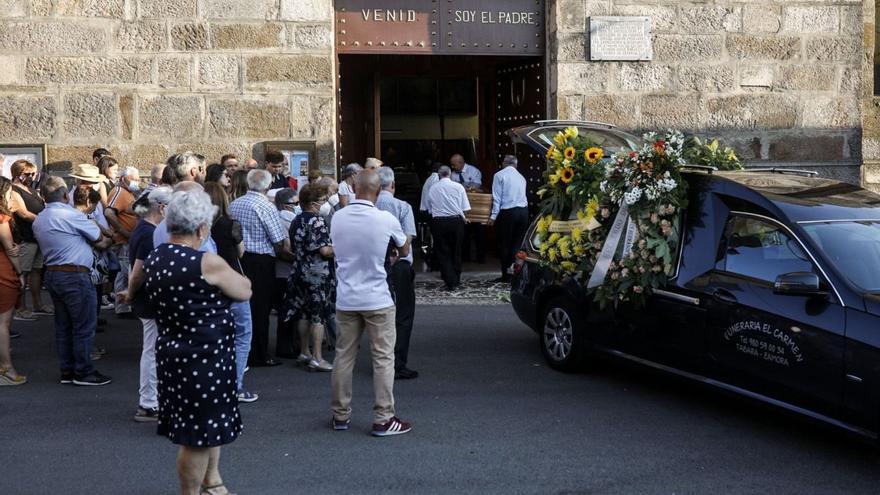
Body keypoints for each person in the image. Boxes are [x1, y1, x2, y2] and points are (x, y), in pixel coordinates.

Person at [143, 189, 251, 495]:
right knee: (197, 436)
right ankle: (192, 492)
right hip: (205, 357)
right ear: (202, 227)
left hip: (173, 351)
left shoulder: (156, 256)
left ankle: (212, 482)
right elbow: (244, 290)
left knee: (203, 428)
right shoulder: (206, 261)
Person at [330, 170, 412, 436]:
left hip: (346, 296)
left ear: (355, 188)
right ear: (378, 192)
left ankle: (340, 414)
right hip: (376, 296)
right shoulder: (385, 218)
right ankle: (383, 417)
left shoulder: (338, 217)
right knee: (383, 358)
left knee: (343, 356)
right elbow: (404, 249)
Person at [33, 176, 112, 386]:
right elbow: (100, 240)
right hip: (74, 274)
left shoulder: (40, 218)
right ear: (65, 195)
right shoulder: (70, 215)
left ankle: (67, 370)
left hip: (53, 273)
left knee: (64, 325)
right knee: (84, 325)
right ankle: (83, 371)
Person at [229, 169, 290, 367]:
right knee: (261, 308)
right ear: (268, 185)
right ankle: (260, 354)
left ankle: (246, 350)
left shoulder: (235, 203)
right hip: (262, 260)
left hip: (242, 258)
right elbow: (278, 239)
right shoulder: (266, 206)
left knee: (246, 307)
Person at [205, 182, 258, 404]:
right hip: (233, 280)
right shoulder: (230, 224)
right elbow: (241, 251)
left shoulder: (201, 226)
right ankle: (235, 385)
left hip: (209, 284)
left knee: (215, 336)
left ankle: (213, 381)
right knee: (242, 334)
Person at [121, 185, 172, 421]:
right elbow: (138, 272)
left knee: (153, 350)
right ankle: (149, 402)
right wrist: (130, 293)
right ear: (162, 208)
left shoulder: (145, 229)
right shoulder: (148, 233)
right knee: (152, 351)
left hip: (148, 298)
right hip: (149, 299)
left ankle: (152, 400)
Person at [283, 184, 334, 372]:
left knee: (303, 313)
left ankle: (304, 351)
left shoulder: (297, 219)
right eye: (322, 201)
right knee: (318, 316)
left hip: (299, 271)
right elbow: (325, 250)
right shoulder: (317, 221)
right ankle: (318, 357)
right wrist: (340, 247)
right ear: (313, 203)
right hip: (317, 274)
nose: (325, 203)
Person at [375, 167, 419, 380]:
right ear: (393, 186)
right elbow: (408, 237)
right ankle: (398, 363)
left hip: (374, 262)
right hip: (399, 262)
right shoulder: (402, 206)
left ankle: (380, 360)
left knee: (378, 314)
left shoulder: (371, 205)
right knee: (403, 314)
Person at [9, 159, 50, 320]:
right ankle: (21, 308)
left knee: (36, 271)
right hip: (25, 236)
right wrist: (44, 220)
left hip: (36, 236)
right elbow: (23, 213)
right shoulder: (14, 190)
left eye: (34, 173)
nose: (32, 176)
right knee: (23, 273)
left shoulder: (30, 189)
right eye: (28, 173)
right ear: (19, 174)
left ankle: (37, 304)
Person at [426, 166, 470, 290]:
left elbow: (429, 207)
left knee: (443, 252)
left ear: (439, 175)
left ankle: (449, 280)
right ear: (450, 174)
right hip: (456, 221)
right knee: (456, 250)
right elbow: (465, 208)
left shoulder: (433, 188)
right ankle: (455, 279)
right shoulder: (459, 187)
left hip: (439, 222)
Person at [104, 166, 141, 317]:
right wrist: (123, 231)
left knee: (128, 271)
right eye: (134, 179)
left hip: (128, 239)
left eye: (138, 179)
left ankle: (126, 304)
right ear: (123, 179)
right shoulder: (119, 192)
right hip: (123, 240)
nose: (137, 182)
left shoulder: (129, 193)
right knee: (123, 274)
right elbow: (109, 212)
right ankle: (122, 307)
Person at [0, 176, 25, 386]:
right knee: (3, 322)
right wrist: (20, 272)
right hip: (3, 271)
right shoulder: (1, 218)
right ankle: (6, 368)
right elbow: (10, 248)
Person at [487, 155, 529, 283]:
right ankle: (515, 274)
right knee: (517, 244)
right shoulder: (522, 177)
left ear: (504, 164)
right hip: (523, 211)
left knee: (505, 244)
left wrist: (493, 216)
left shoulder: (499, 175)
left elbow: (497, 197)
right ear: (516, 165)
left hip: (508, 212)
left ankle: (506, 275)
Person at [273, 188, 299, 359]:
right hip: (284, 271)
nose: (297, 206)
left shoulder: (281, 218)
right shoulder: (284, 220)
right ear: (284, 205)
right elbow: (283, 250)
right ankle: (285, 347)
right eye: (294, 204)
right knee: (287, 312)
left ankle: (290, 345)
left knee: (288, 312)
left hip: (282, 271)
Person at [450, 154, 485, 263]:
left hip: (475, 207)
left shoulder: (473, 171)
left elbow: (477, 186)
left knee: (479, 234)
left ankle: (480, 258)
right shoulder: (452, 174)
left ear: (460, 163)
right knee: (463, 234)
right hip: (461, 208)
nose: (452, 167)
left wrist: (463, 188)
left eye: (454, 165)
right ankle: (465, 258)